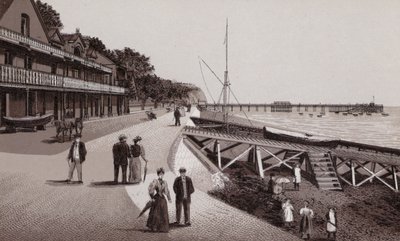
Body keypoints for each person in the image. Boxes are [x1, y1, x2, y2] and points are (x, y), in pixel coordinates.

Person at [147, 168, 172, 232]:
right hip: (157, 198)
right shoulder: (155, 181)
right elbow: (151, 189)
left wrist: (169, 198)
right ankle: (154, 227)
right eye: (160, 174)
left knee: (163, 213)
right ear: (158, 175)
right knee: (156, 213)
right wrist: (152, 197)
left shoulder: (165, 182)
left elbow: (167, 191)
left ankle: (162, 227)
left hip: (162, 199)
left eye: (162, 174)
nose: (161, 175)